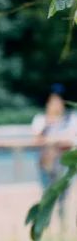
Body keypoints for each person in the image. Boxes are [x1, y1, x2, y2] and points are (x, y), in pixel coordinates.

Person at [31, 84, 77, 223]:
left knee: (63, 196)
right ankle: (46, 225)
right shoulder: (40, 119)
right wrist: (49, 122)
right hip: (46, 162)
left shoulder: (71, 119)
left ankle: (62, 224)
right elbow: (37, 139)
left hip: (64, 163)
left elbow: (71, 139)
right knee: (47, 195)